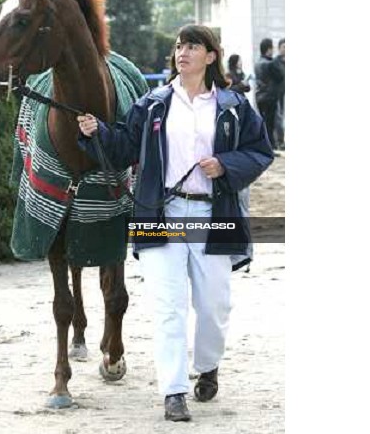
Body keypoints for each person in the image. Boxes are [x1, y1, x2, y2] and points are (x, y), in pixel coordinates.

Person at [77, 25, 273, 422]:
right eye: (179, 46)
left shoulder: (234, 106)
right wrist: (96, 132)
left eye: (192, 46)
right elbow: (125, 147)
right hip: (159, 214)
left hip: (213, 215)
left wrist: (226, 165)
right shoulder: (152, 103)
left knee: (214, 306)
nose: (182, 52)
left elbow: (260, 151)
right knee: (169, 307)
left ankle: (208, 365)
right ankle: (174, 391)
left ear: (211, 56)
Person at [254, 38, 282, 150]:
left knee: (264, 123)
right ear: (269, 49)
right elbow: (280, 76)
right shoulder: (270, 64)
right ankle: (271, 145)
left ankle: (265, 145)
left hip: (260, 97)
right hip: (270, 97)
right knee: (270, 124)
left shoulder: (257, 63)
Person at [272, 39, 285, 150]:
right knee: (279, 118)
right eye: (283, 47)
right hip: (279, 94)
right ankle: (280, 141)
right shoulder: (275, 62)